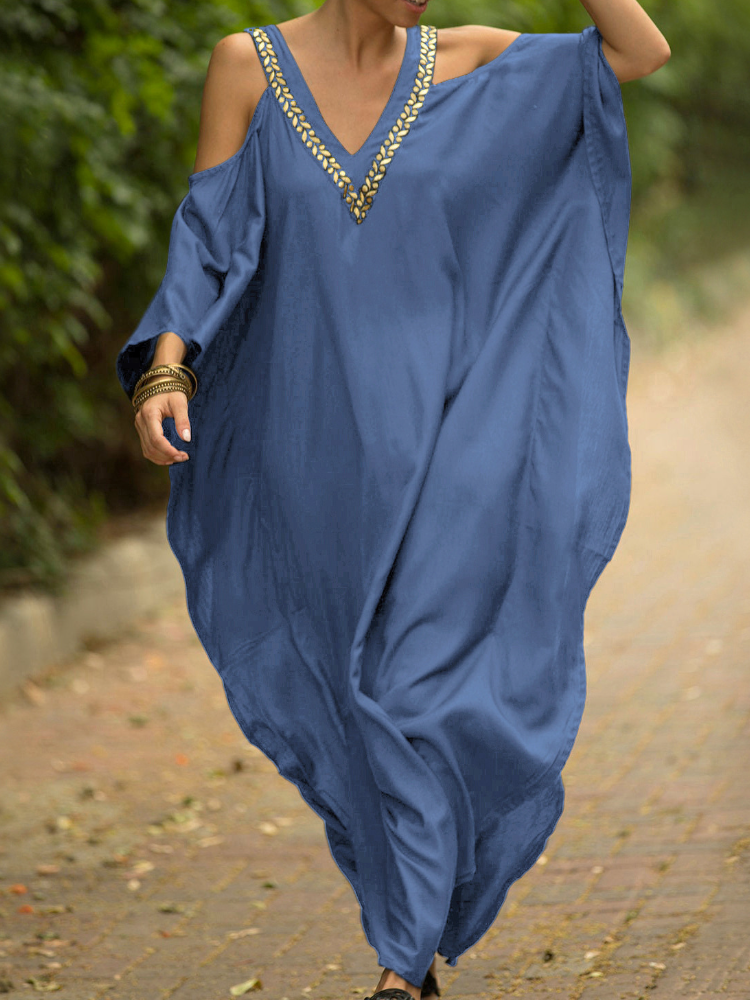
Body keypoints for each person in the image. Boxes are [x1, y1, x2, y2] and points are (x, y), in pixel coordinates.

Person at [116, 1, 670, 997]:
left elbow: (639, 50)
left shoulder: (472, 61)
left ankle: (399, 966)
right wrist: (167, 366)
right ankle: (414, 915)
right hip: (312, 446)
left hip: (455, 439)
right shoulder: (247, 67)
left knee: (415, 694)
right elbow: (207, 236)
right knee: (351, 696)